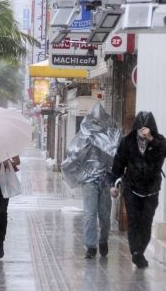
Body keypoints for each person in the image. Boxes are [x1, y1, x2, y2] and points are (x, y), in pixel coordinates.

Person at [110, 111, 166, 268]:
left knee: (146, 221)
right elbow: (118, 163)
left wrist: (151, 139)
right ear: (136, 128)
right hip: (131, 188)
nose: (143, 131)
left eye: (147, 128)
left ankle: (140, 250)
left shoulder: (158, 141)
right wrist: (113, 184)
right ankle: (136, 252)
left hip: (152, 189)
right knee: (133, 220)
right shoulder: (127, 141)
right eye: (140, 128)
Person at [61, 103, 122, 259]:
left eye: (99, 121)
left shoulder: (112, 135)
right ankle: (91, 246)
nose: (96, 124)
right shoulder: (84, 135)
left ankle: (103, 240)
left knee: (105, 215)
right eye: (94, 122)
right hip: (89, 180)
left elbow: (117, 155)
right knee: (89, 213)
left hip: (106, 180)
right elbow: (73, 152)